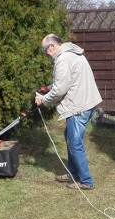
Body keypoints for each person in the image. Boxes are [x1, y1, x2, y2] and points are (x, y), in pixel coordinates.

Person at [35, 34, 102, 190]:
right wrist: (49, 88)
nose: (46, 54)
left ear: (52, 46)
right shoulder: (72, 53)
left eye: (45, 50)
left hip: (79, 106)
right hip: (85, 101)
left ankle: (86, 181)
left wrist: (43, 100)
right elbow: (65, 80)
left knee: (75, 143)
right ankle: (73, 174)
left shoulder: (63, 58)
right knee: (70, 137)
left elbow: (60, 90)